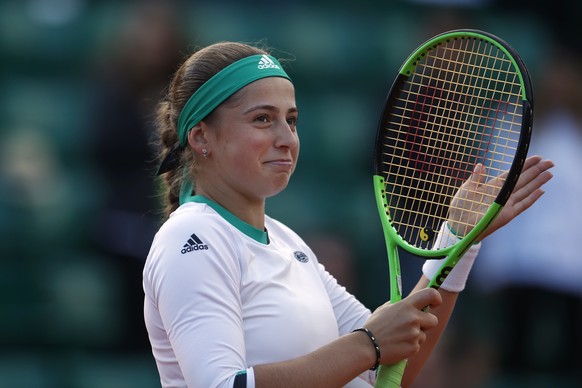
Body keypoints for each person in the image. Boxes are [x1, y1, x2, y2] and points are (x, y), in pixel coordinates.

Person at [142, 41, 554, 387]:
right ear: (201, 137)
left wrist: (458, 241)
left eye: (292, 120)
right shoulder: (192, 236)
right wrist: (368, 344)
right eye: (262, 119)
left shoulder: (289, 244)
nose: (287, 139)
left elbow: (391, 369)